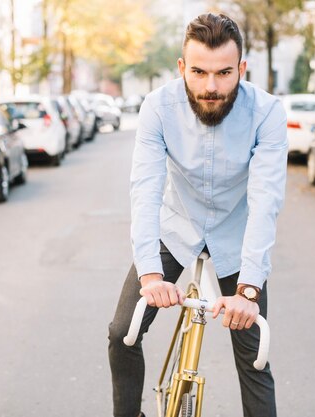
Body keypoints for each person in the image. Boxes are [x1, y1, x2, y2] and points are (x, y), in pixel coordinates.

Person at [107, 13, 288, 417]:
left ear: (241, 68)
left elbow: (265, 201)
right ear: (182, 67)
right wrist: (151, 275)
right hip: (177, 227)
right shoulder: (157, 107)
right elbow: (145, 190)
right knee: (123, 333)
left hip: (237, 235)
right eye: (199, 72)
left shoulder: (267, 112)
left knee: (254, 355)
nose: (211, 86)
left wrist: (248, 292)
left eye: (224, 73)